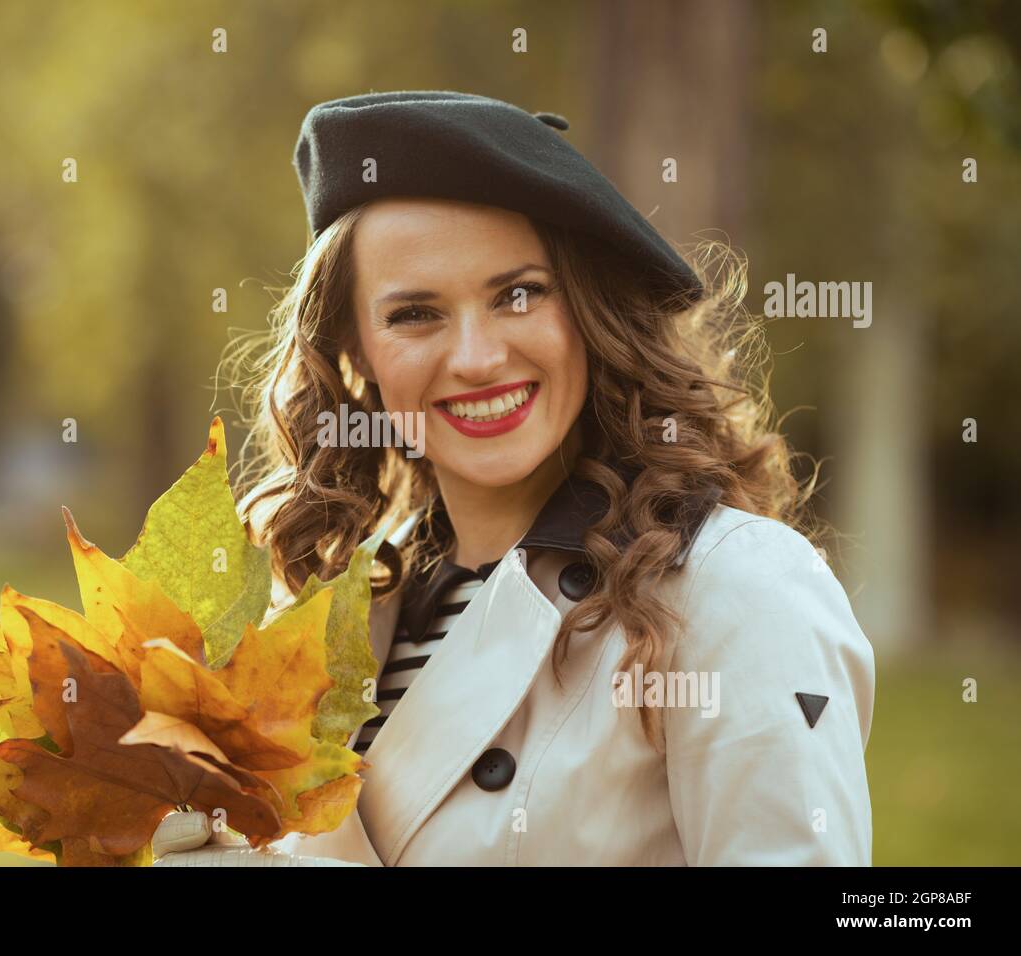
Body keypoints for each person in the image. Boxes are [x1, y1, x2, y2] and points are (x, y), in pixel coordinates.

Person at [154, 90, 876, 867]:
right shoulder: (338, 614)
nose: (476, 357)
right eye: (415, 314)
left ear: (591, 312)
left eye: (518, 295)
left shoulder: (737, 590)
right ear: (354, 353)